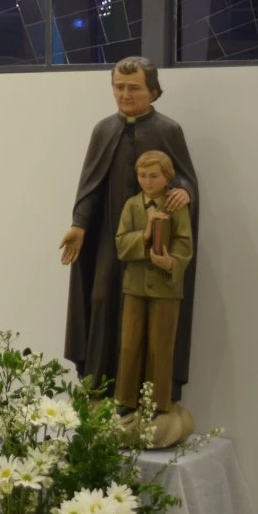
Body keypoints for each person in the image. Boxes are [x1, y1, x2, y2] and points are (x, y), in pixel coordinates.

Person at [59, 56, 199, 402]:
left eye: (133, 88)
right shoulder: (103, 130)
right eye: (118, 87)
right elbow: (91, 185)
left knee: (151, 315)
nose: (125, 94)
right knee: (101, 298)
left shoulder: (167, 130)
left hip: (156, 238)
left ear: (153, 91)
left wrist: (184, 191)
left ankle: (145, 396)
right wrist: (79, 225)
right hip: (110, 236)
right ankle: (100, 384)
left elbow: (183, 176)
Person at [114, 151, 193, 414]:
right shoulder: (132, 205)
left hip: (166, 289)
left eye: (154, 176)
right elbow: (121, 243)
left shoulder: (175, 205)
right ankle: (125, 399)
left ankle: (157, 402)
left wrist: (170, 263)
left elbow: (184, 242)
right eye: (142, 175)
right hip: (135, 286)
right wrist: (144, 235)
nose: (147, 181)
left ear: (167, 177)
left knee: (160, 345)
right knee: (129, 344)